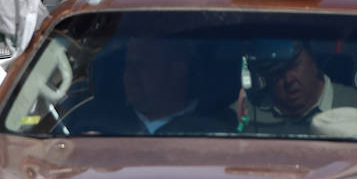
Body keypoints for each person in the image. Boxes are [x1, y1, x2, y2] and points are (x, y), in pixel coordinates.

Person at [65, 38, 233, 136]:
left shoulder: (222, 132)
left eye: (142, 66)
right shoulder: (89, 125)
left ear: (177, 71)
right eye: (128, 66)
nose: (130, 75)